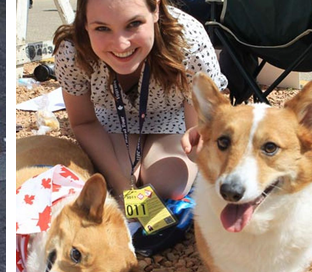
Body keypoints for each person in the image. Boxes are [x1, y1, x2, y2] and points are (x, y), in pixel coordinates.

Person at [53, 0, 226, 204]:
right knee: (120, 180)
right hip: (112, 120)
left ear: (156, 9)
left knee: (167, 186)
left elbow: (198, 128)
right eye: (102, 28)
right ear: (84, 23)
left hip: (172, 118)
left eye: (133, 24)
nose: (121, 44)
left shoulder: (188, 39)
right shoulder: (72, 50)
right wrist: (122, 186)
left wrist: (202, 146)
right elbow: (84, 121)